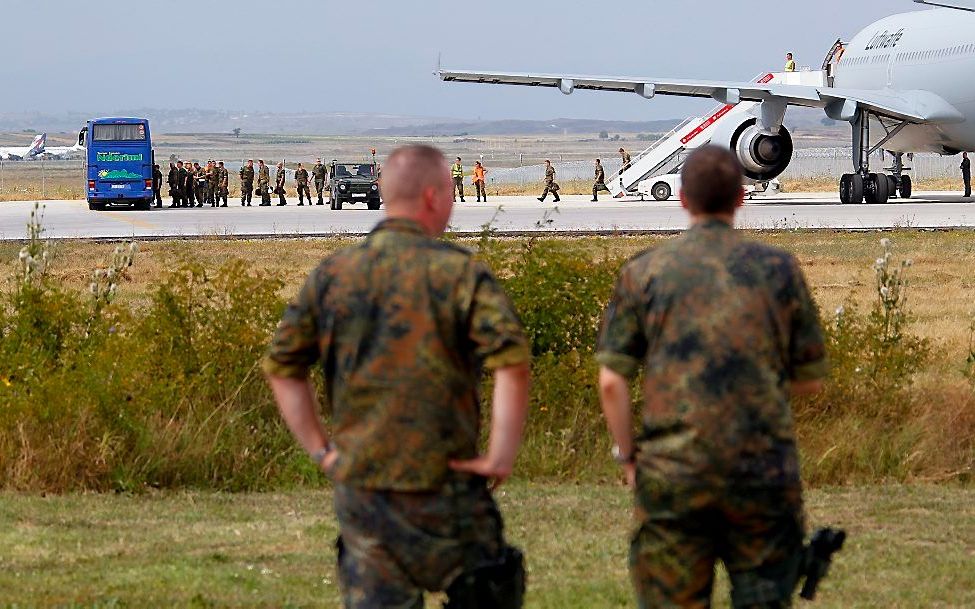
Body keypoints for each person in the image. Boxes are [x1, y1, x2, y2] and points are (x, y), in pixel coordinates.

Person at [263, 144, 531, 609]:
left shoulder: (334, 275)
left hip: (365, 485)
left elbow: (283, 367)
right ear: (432, 197)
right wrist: (500, 456)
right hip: (448, 485)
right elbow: (511, 362)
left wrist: (322, 452)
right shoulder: (460, 274)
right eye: (449, 192)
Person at [596, 145, 828, 609]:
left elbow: (611, 380)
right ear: (740, 198)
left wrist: (627, 456)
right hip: (761, 471)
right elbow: (810, 378)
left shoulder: (645, 272)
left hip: (673, 473)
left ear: (683, 199)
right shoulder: (778, 270)